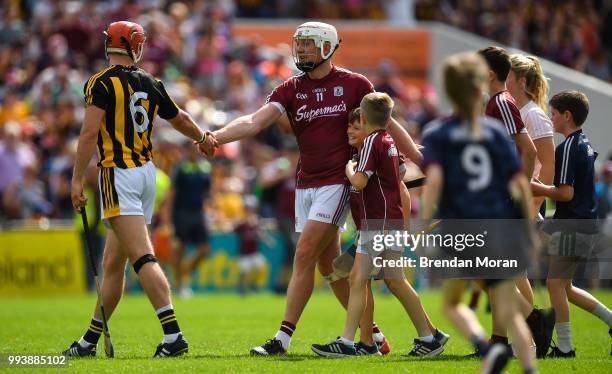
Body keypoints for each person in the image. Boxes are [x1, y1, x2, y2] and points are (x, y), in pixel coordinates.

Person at [200, 22, 422, 355]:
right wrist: (216, 136)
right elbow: (254, 121)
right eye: (299, 44)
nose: (301, 50)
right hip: (307, 183)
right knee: (329, 268)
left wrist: (418, 156)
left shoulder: (355, 84)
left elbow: (387, 124)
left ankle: (283, 338)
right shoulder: (289, 88)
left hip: (338, 180)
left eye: (308, 44)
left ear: (329, 46)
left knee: (303, 253)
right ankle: (372, 336)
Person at [64, 21, 212, 358]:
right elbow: (181, 119)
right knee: (114, 264)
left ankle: (173, 335)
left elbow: (89, 134)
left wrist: (75, 179)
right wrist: (203, 138)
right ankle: (89, 341)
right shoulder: (151, 81)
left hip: (118, 175)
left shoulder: (99, 82)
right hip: (146, 173)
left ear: (110, 45)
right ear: (133, 46)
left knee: (142, 257)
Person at [420, 52, 537, 373]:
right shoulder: (496, 132)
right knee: (510, 308)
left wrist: (423, 222)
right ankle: (531, 368)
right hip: (498, 225)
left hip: (462, 227)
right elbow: (519, 184)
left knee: (452, 303)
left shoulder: (437, 132)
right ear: (477, 87)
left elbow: (435, 182)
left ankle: (484, 346)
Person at [311, 95, 448, 357]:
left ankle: (349, 342)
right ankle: (430, 337)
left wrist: (349, 169)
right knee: (395, 280)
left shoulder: (373, 142)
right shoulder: (387, 140)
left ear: (364, 117)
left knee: (358, 278)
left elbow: (360, 182)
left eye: (355, 124)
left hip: (379, 223)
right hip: (389, 222)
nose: (351, 129)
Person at [531, 90, 612, 357]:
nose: (550, 119)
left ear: (567, 116)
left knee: (555, 284)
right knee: (565, 286)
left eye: (553, 114)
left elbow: (566, 193)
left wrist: (536, 187)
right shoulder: (584, 143)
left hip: (573, 225)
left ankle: (565, 347)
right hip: (584, 223)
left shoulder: (567, 147)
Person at [477, 46, 542, 353]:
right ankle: (503, 339)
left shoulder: (502, 102)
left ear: (489, 74)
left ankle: (534, 320)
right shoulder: (493, 103)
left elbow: (528, 151)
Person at [167, 141, 212, 298]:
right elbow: (171, 193)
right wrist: (167, 219)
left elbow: (207, 193)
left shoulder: (205, 167)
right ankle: (180, 284)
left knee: (204, 249)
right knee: (180, 249)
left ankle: (183, 274)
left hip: (198, 213)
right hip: (181, 213)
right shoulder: (179, 167)